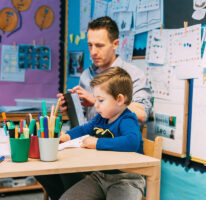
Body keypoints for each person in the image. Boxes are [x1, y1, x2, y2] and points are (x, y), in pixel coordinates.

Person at [36, 16, 152, 199]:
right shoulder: (87, 75)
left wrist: (96, 100)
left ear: (115, 44)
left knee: (61, 167)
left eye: (99, 45)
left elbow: (142, 114)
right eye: (90, 45)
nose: (93, 52)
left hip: (117, 162)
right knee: (45, 164)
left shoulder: (132, 76)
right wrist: (71, 108)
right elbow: (85, 124)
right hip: (91, 155)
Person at [59, 67, 145, 200]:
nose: (96, 105)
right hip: (100, 177)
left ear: (119, 99)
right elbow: (84, 129)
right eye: (96, 100)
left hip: (127, 179)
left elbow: (131, 142)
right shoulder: (102, 117)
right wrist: (67, 136)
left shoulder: (127, 119)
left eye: (101, 100)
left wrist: (97, 143)